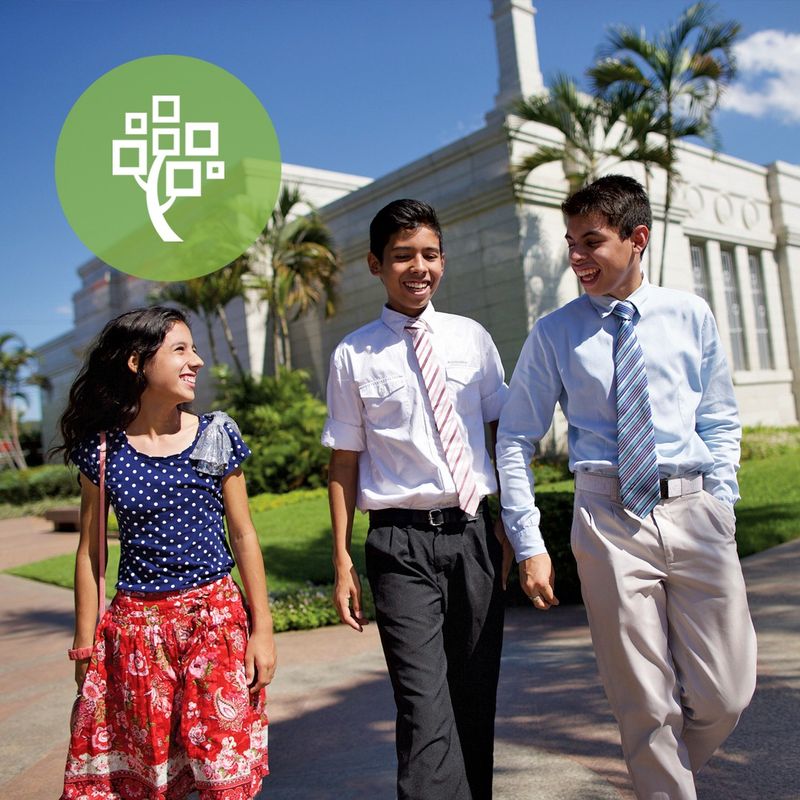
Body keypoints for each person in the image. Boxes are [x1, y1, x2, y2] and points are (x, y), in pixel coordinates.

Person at [496, 175, 757, 800]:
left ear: (637, 238)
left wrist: (722, 501)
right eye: (570, 243)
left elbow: (719, 416)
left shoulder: (690, 314)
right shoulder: (554, 333)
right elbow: (515, 438)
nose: (576, 258)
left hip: (696, 512)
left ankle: (657, 776)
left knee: (727, 693)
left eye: (592, 242)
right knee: (643, 700)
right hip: (608, 517)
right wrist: (528, 541)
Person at [322, 199, 513, 800]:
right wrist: (342, 558)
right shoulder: (353, 353)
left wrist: (512, 527)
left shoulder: (472, 339)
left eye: (430, 254)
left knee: (474, 698)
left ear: (442, 260)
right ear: (375, 264)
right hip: (399, 543)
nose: (419, 267)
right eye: (403, 256)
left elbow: (504, 435)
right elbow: (343, 461)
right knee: (424, 708)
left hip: (475, 535)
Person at [57, 306, 276, 800]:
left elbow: (243, 536)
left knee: (224, 776)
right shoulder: (103, 450)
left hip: (215, 623)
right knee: (150, 779)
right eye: (181, 349)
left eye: (194, 348)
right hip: (136, 636)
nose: (195, 361)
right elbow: (91, 555)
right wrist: (84, 647)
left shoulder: (215, 434)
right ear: (137, 362)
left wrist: (261, 629)